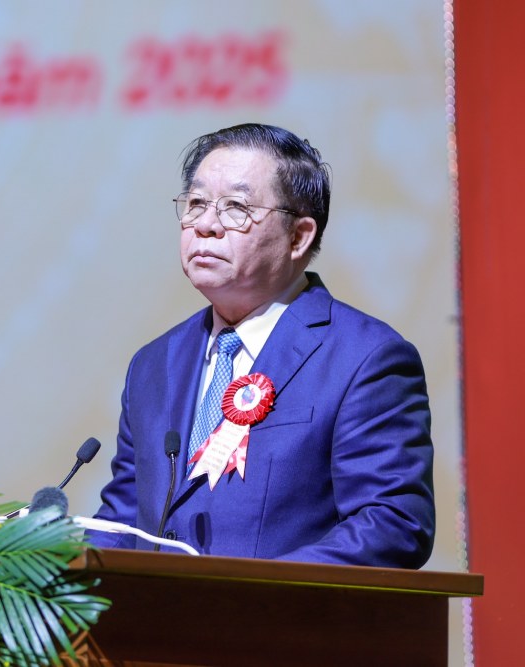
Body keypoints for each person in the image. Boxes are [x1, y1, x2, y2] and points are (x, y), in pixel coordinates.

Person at [88, 123, 434, 568]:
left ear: (299, 236)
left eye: (236, 207)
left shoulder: (365, 358)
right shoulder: (155, 364)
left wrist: (247, 595)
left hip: (282, 629)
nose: (207, 225)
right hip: (157, 632)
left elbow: (393, 525)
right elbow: (125, 522)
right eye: (196, 204)